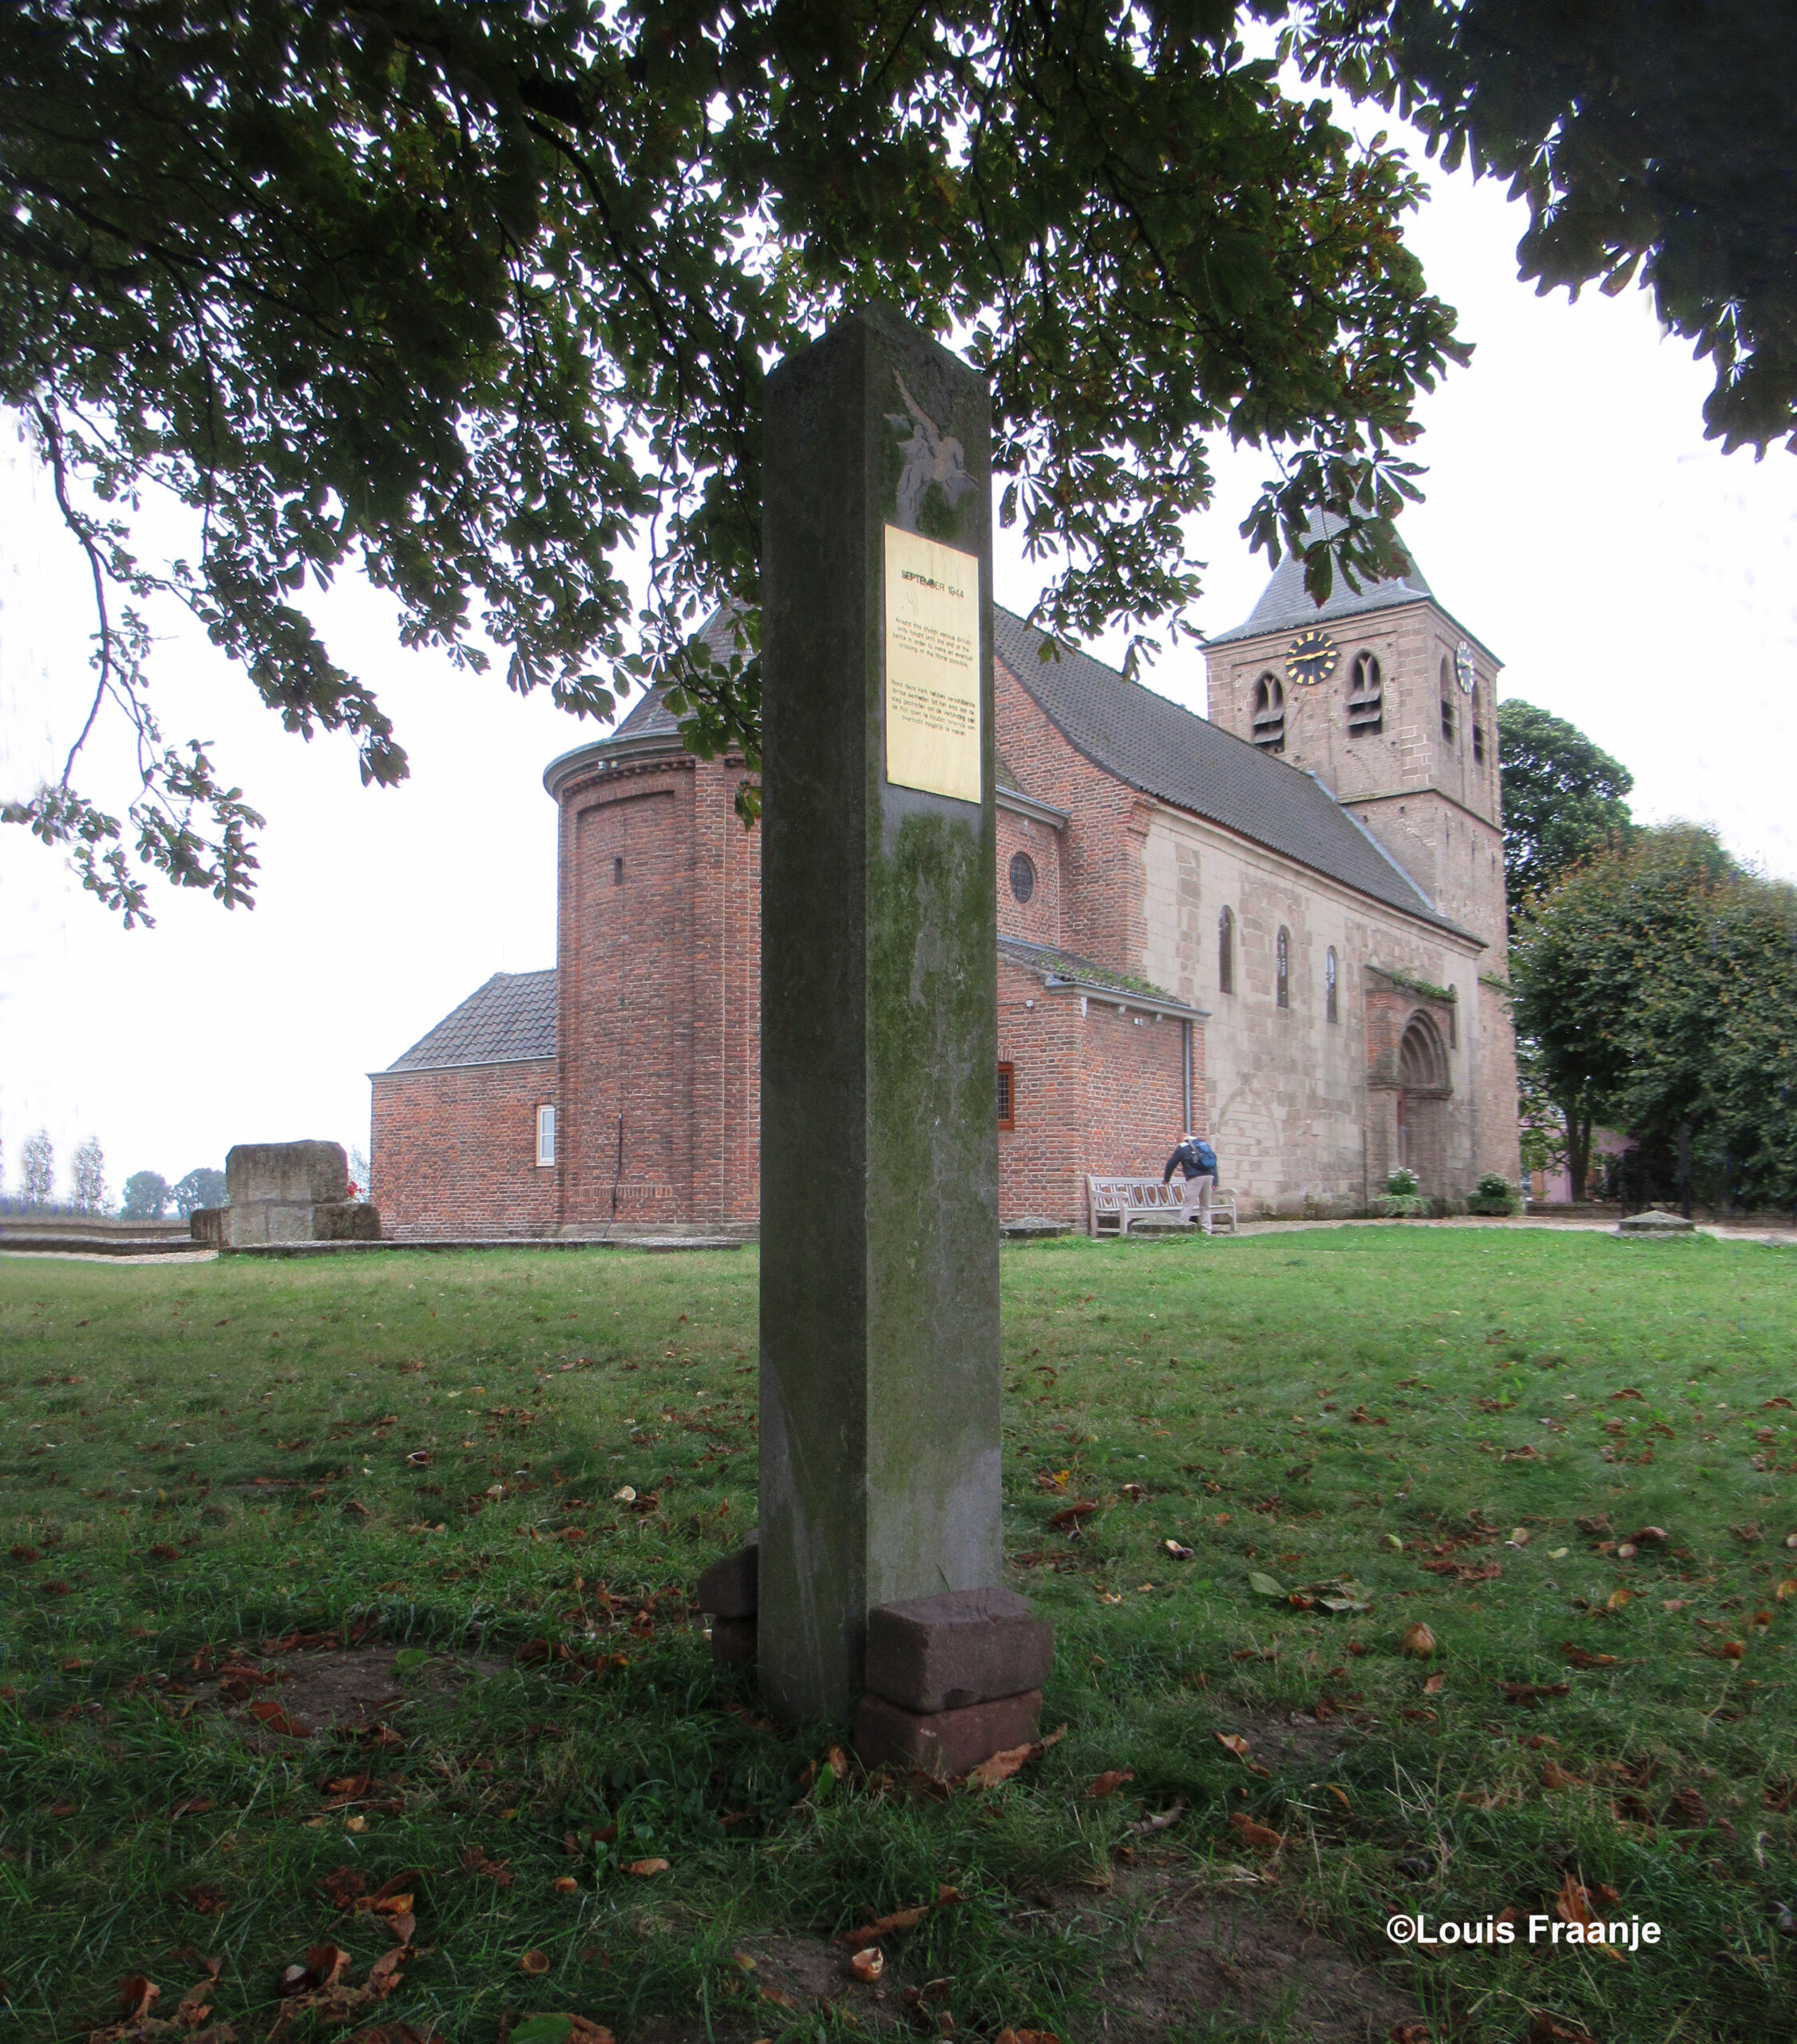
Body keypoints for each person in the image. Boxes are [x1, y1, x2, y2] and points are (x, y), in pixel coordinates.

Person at [1163, 1130, 1219, 1235]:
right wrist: (1215, 1181)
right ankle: (1207, 1231)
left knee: (1188, 1204)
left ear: (1179, 1139)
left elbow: (1171, 1164)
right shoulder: (1202, 1144)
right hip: (1209, 1175)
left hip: (1195, 1177)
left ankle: (1181, 1230)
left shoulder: (1182, 1146)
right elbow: (1214, 1163)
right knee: (1205, 1206)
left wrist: (1166, 1179)